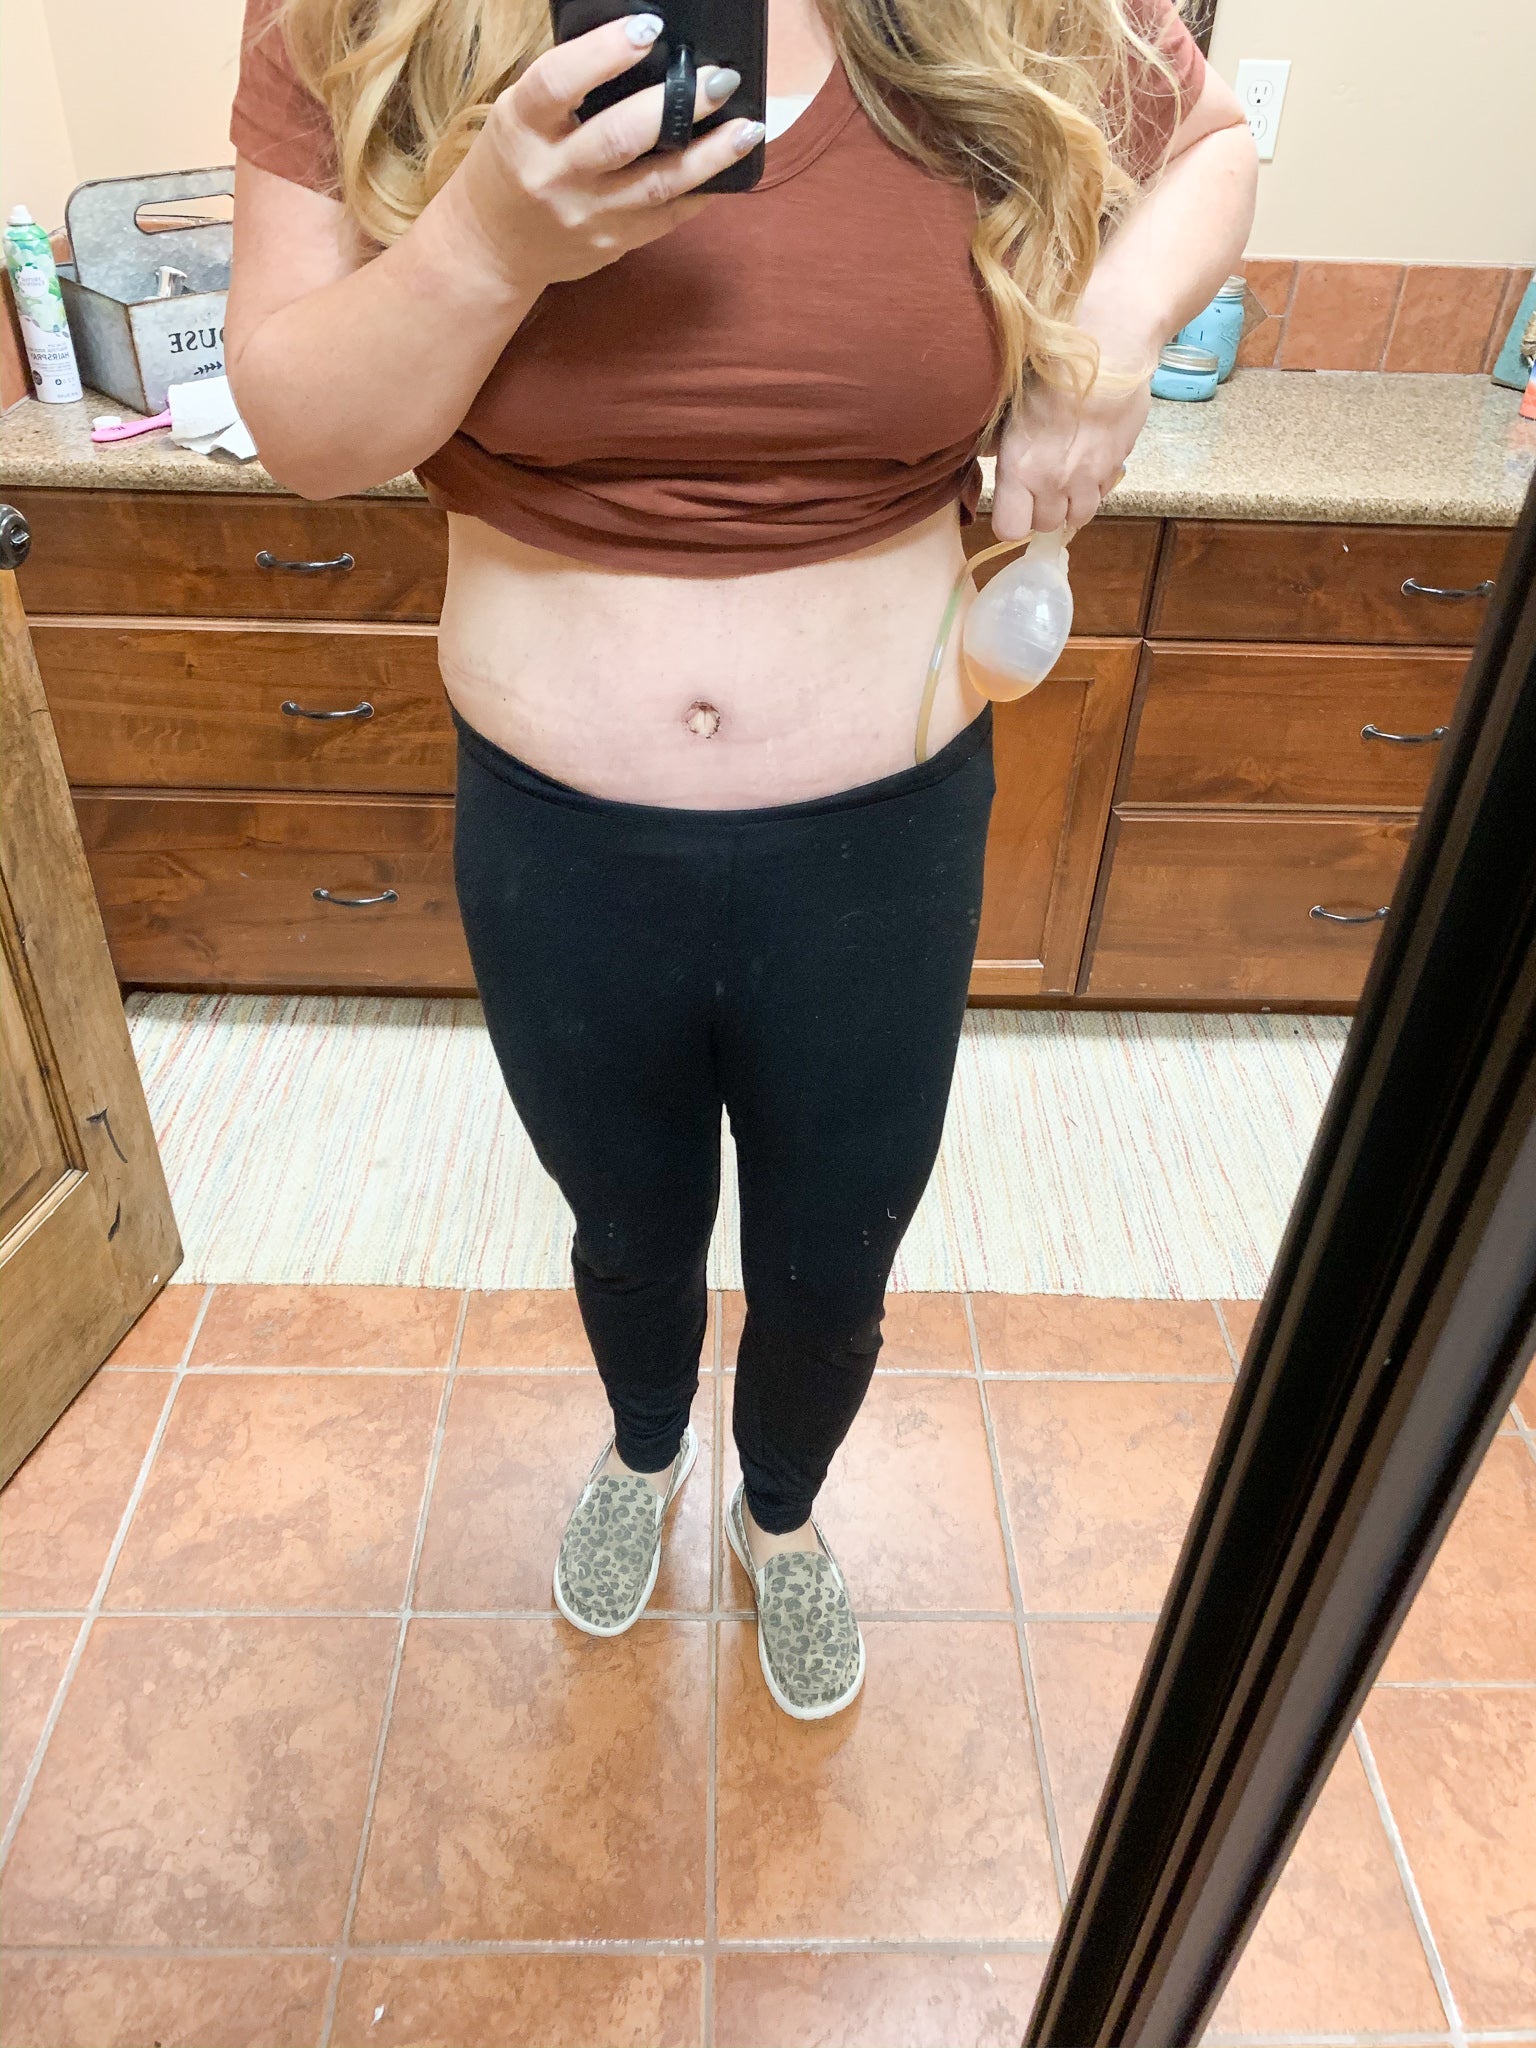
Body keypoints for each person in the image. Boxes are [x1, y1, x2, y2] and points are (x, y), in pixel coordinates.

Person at [226, 0, 1255, 1720]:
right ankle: (645, 1451)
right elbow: (306, 436)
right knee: (625, 1225)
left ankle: (779, 1513)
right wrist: (489, 239)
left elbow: (1212, 147)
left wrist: (1108, 334)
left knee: (835, 1258)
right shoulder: (357, 13)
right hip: (557, 842)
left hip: (882, 838)